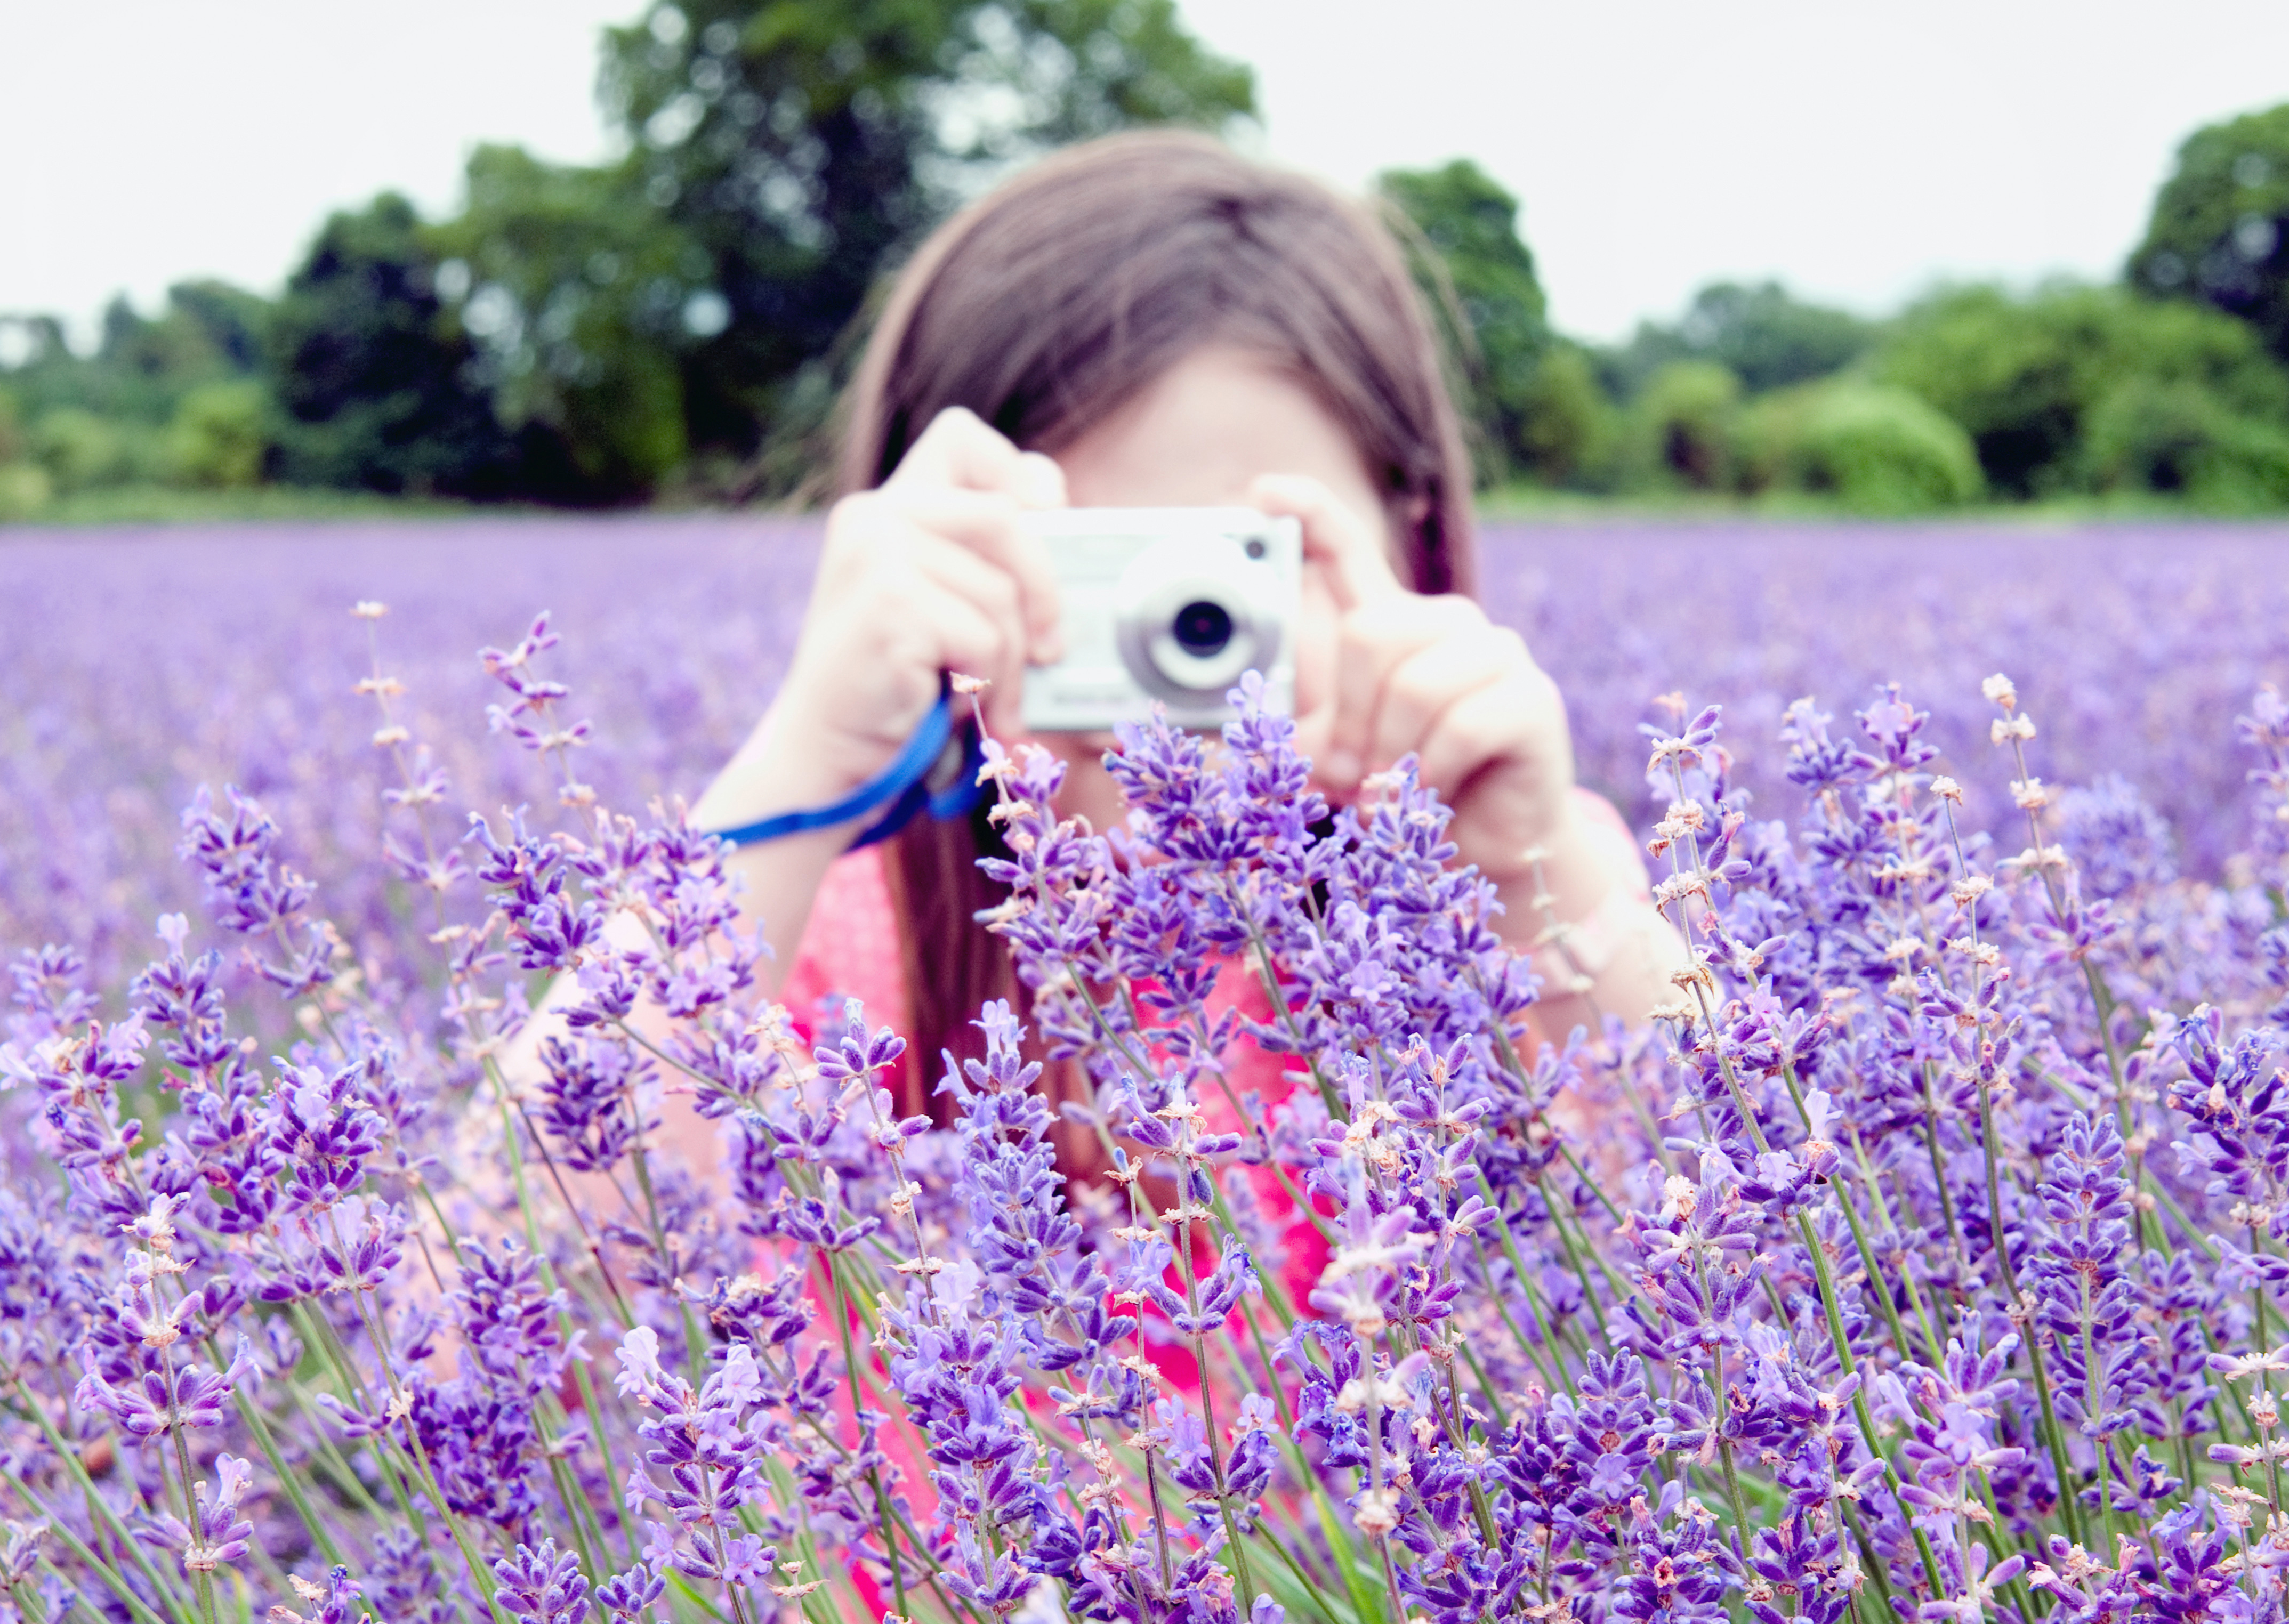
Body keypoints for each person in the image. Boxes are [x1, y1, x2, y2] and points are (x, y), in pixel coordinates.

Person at [688, 130, 1677, 1124]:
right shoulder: (829, 930)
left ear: (1405, 540)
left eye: (1231, 578)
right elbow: (553, 1238)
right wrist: (795, 779)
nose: (1163, 658)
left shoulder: (1494, 896)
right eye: (1091, 571)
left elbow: (1752, 1226)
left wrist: (1531, 876)